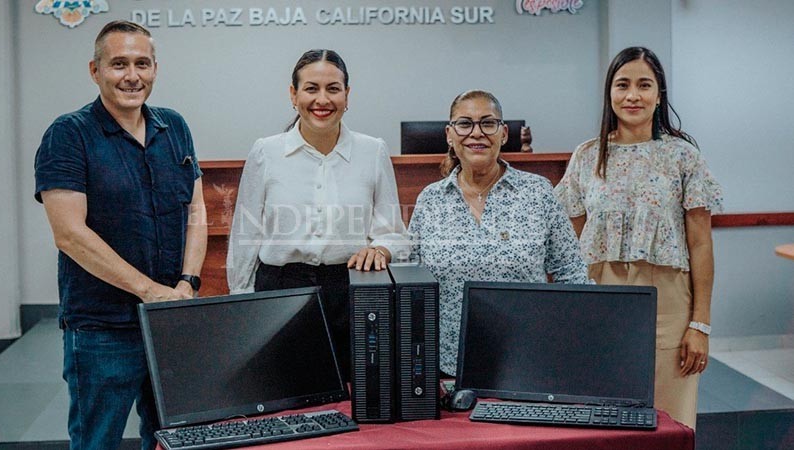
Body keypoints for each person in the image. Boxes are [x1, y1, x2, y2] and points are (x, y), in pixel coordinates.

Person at [34, 20, 207, 449]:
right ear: (95, 71)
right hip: (101, 328)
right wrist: (149, 290)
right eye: (119, 64)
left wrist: (187, 282)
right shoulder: (68, 134)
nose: (132, 75)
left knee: (173, 440)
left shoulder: (175, 127)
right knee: (98, 442)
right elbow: (69, 235)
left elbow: (196, 209)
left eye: (142, 63)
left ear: (155, 69)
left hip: (170, 320)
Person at [554, 46, 723, 429]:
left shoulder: (684, 156)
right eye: (623, 85)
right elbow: (569, 242)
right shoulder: (587, 156)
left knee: (670, 418)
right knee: (599, 417)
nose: (633, 95)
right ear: (609, 93)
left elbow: (700, 244)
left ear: (659, 94)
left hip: (668, 297)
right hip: (599, 294)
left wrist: (700, 324)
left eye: (644, 85)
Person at [227, 49, 409, 376]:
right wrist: (242, 302)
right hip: (279, 292)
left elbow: (394, 234)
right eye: (311, 88)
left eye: (333, 89)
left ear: (347, 95)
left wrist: (381, 248)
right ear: (293, 94)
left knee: (353, 398)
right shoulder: (266, 152)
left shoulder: (373, 151)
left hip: (349, 293)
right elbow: (246, 235)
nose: (322, 99)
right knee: (283, 393)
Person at [408, 90, 590, 377]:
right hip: (448, 369)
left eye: (488, 123)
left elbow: (571, 271)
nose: (476, 133)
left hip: (528, 362)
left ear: (504, 133)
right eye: (465, 124)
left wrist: (576, 345)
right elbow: (411, 280)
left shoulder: (537, 192)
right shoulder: (430, 200)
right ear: (449, 134)